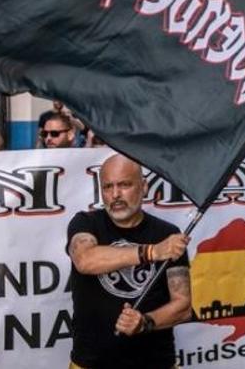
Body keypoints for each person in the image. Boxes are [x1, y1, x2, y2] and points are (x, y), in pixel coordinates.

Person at [66, 154, 192, 369]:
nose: (115, 195)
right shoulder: (85, 223)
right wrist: (151, 252)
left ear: (143, 187)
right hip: (91, 363)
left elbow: (183, 306)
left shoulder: (168, 233)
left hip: (156, 362)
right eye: (107, 187)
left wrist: (145, 322)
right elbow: (85, 260)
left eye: (124, 185)